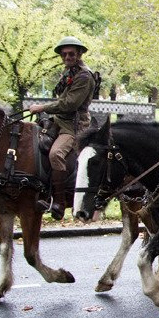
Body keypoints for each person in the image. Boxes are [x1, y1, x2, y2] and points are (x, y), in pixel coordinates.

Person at [28, 37, 96, 220]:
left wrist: (42, 107)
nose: (67, 56)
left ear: (79, 54)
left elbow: (69, 104)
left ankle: (58, 203)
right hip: (58, 121)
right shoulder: (69, 72)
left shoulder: (84, 76)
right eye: (64, 54)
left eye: (71, 53)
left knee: (55, 153)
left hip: (75, 125)